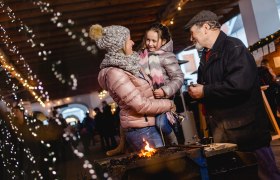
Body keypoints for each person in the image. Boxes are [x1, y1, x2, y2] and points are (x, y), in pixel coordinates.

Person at [184, 10, 280, 179]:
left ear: (205, 27)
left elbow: (239, 85)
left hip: (248, 133)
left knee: (267, 175)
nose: (191, 39)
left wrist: (204, 91)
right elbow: (207, 85)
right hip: (226, 132)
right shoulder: (206, 55)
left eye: (193, 34)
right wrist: (196, 93)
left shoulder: (234, 47)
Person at [89, 24, 176, 152]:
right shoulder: (115, 73)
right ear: (120, 45)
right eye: (129, 39)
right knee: (160, 168)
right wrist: (168, 104)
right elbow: (140, 105)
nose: (132, 42)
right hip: (142, 130)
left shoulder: (132, 64)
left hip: (149, 124)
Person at [139, 22, 184, 145]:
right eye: (148, 40)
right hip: (148, 101)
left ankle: (175, 143)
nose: (150, 44)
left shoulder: (167, 56)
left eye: (154, 41)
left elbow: (179, 77)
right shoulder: (142, 56)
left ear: (163, 41)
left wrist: (165, 90)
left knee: (161, 124)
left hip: (164, 99)